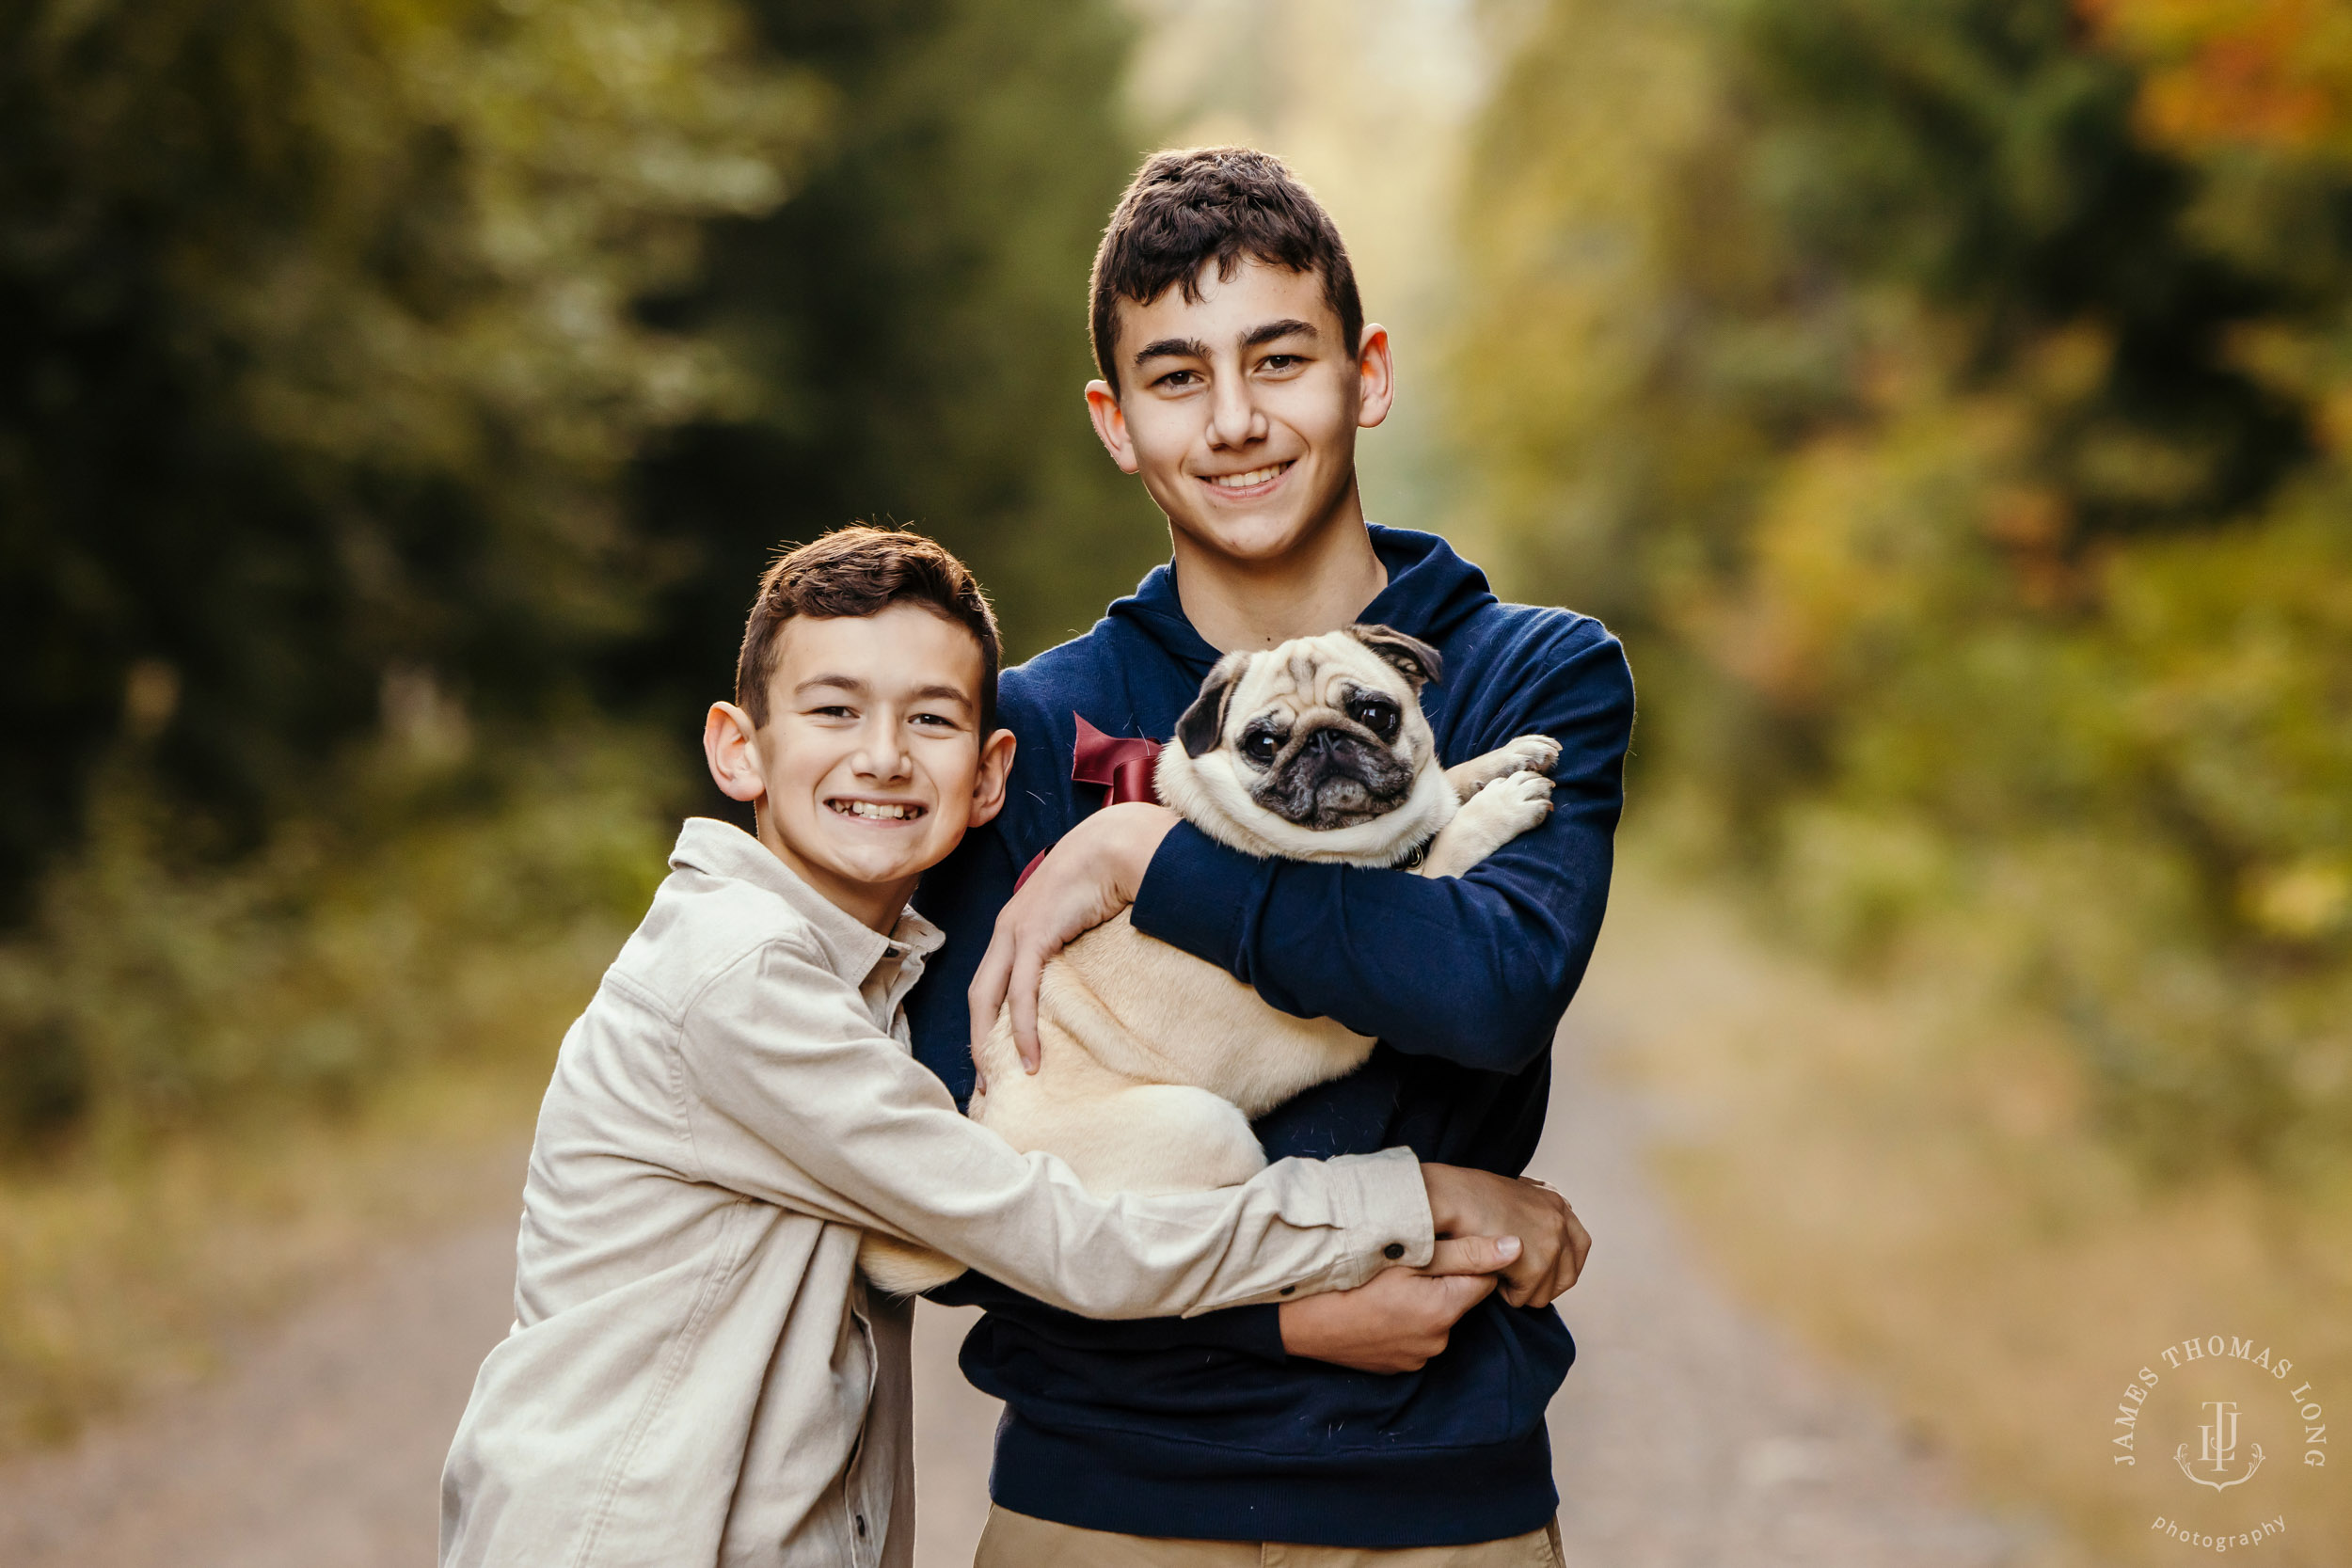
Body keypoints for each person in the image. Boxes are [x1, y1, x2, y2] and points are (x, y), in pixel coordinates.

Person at [437, 527, 1552, 1568]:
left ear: (986, 776)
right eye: (833, 710)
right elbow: (1042, 1225)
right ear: (738, 748)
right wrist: (1408, 1202)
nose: (881, 756)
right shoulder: (741, 980)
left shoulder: (870, 967)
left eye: (928, 719)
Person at [907, 148, 1634, 1563]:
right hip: (1099, 1493)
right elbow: (951, 1165)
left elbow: (1486, 990)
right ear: (1116, 423)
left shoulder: (1529, 673)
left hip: (1437, 1495)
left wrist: (1143, 855)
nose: (1235, 421)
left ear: (1365, 374)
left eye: (1279, 359)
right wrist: (1279, 1305)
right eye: (1178, 376)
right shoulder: (1032, 723)